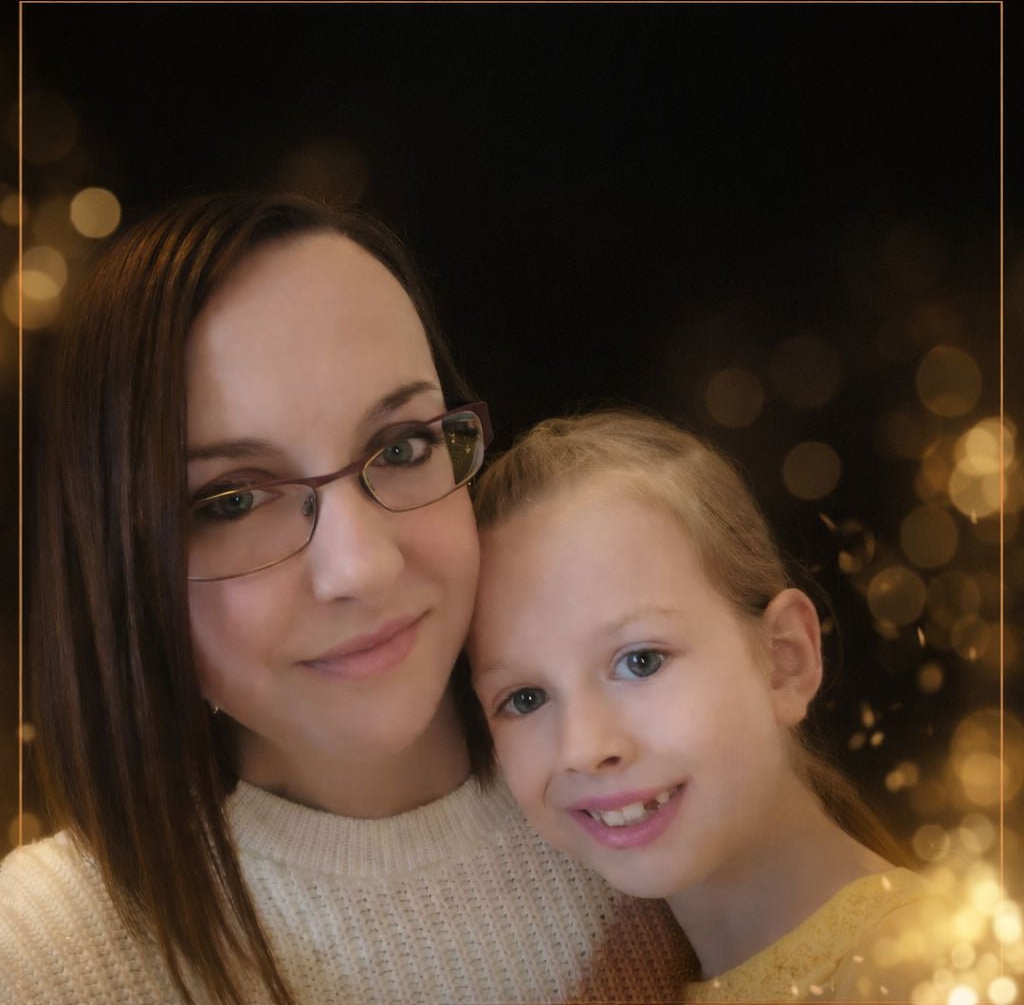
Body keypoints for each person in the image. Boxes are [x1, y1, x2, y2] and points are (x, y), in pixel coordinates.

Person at [0, 194, 690, 1005]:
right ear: (122, 561)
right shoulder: (41, 956)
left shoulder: (668, 787)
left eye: (401, 447)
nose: (359, 567)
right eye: (231, 500)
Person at [469, 409, 966, 1003]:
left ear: (784, 660)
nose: (584, 747)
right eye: (525, 698)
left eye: (641, 661)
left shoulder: (927, 976)